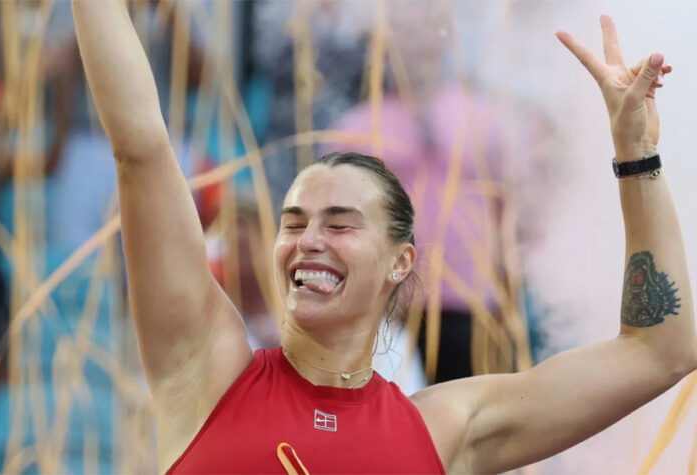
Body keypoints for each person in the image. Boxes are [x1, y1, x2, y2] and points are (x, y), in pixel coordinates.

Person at [71, 1, 694, 472]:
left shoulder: (447, 429)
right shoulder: (207, 371)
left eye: (340, 222)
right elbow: (141, 149)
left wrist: (636, 152)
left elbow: (660, 351)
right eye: (294, 222)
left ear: (401, 261)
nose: (308, 239)